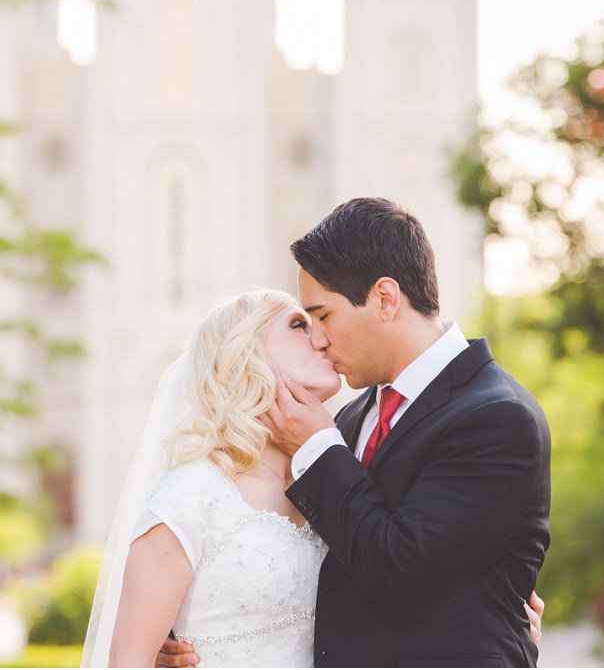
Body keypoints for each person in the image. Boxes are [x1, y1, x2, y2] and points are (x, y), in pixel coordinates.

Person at [86, 285, 545, 667]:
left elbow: (404, 545)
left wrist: (496, 601)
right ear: (245, 356)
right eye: (300, 325)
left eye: (319, 319)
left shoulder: (334, 457)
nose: (321, 339)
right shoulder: (191, 495)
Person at [262, 197, 552, 667]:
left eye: (324, 316)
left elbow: (396, 568)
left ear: (384, 299)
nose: (317, 339)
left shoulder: (499, 418)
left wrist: (317, 448)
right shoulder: (350, 419)